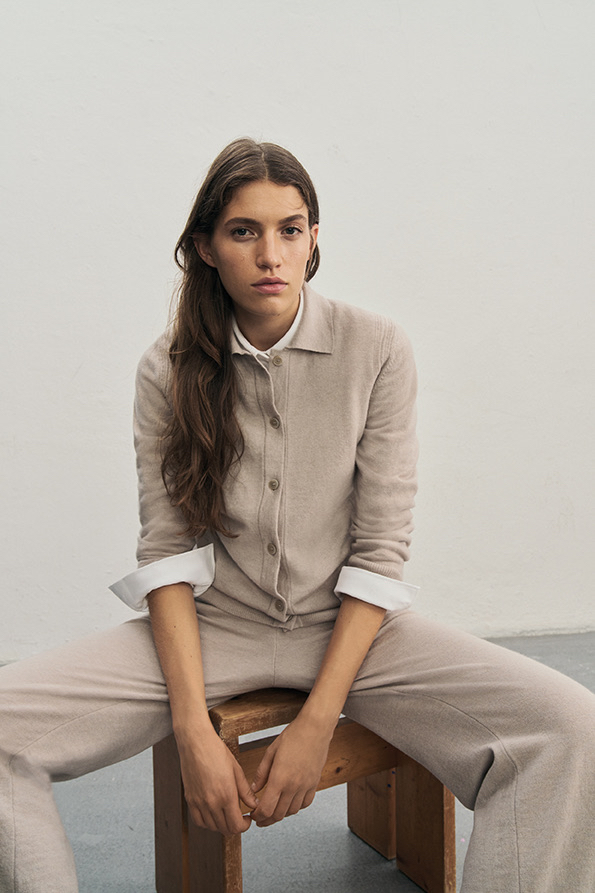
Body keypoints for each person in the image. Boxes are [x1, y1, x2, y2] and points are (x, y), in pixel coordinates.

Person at [1, 138, 594, 893]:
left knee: (570, 729)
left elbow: (379, 549)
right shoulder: (168, 366)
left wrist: (316, 723)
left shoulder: (376, 347)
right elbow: (168, 550)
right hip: (214, 628)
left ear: (314, 238)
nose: (269, 254)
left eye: (289, 229)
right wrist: (191, 728)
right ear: (206, 248)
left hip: (354, 631)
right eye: (243, 231)